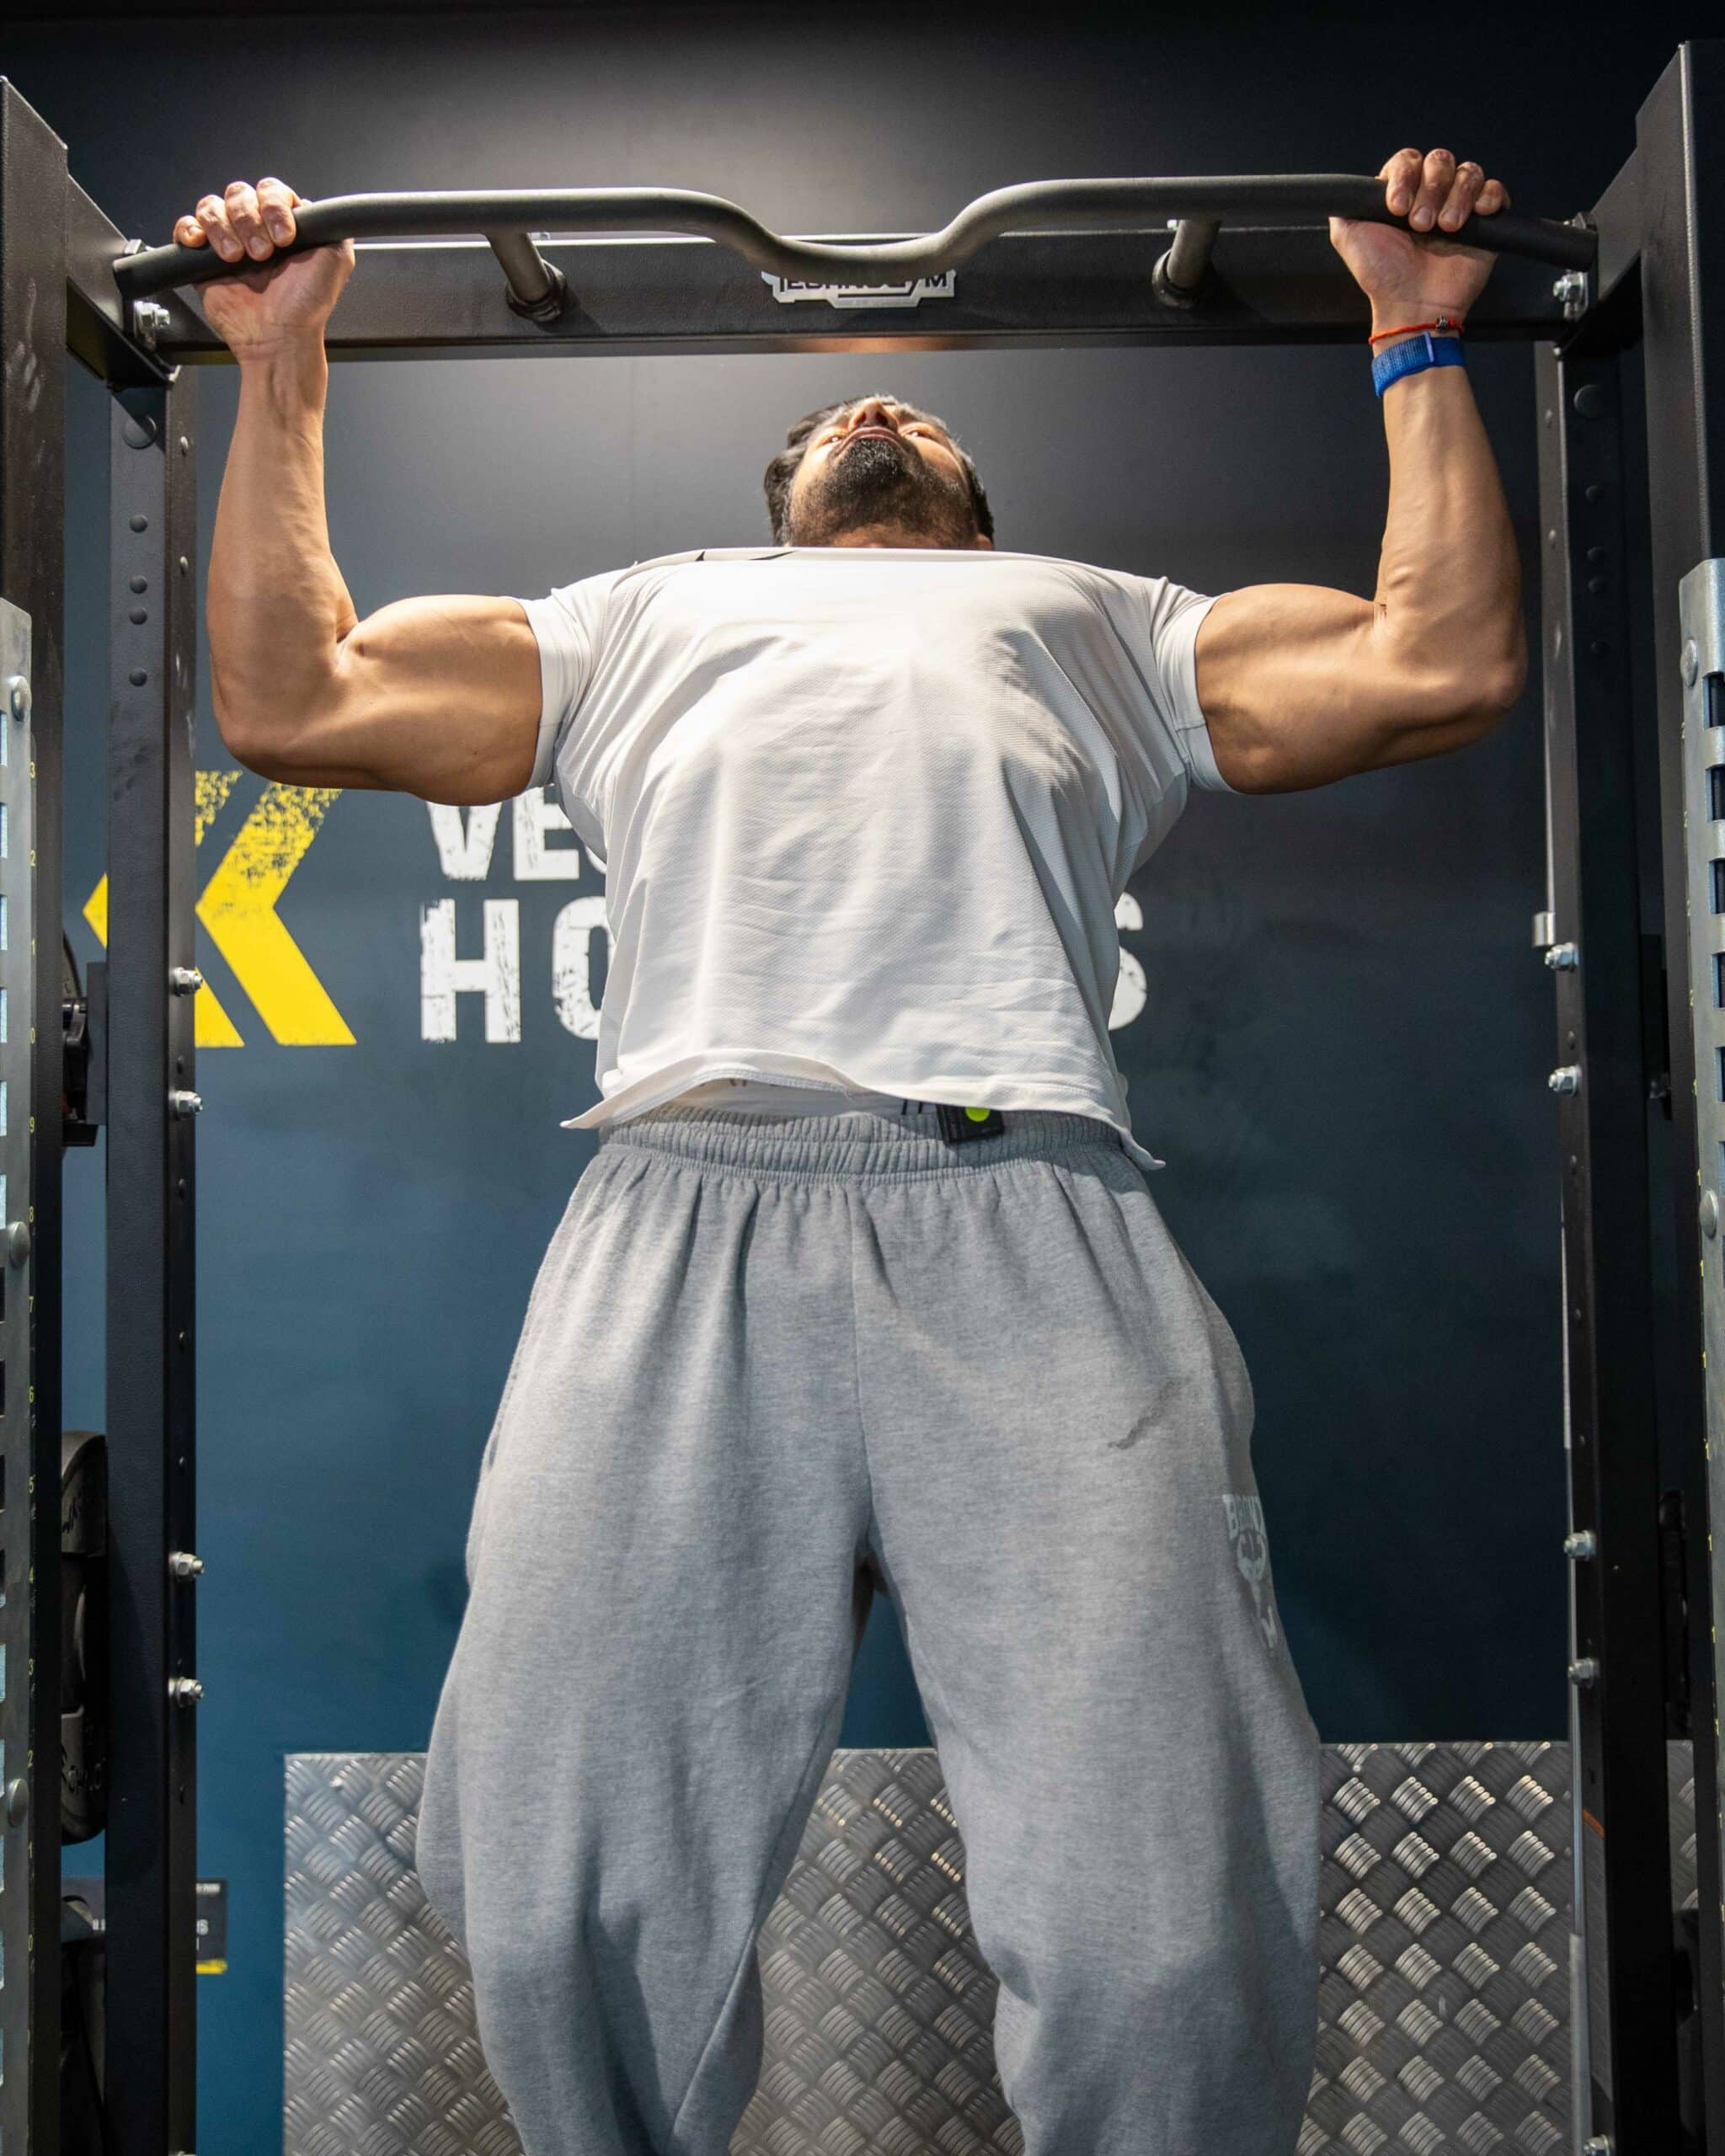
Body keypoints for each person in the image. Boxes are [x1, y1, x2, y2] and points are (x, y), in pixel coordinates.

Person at [184, 147, 1524, 2156]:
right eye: (831, 420)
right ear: (781, 505)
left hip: (1031, 1228)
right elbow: (295, 696)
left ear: (975, 508)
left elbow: (1440, 662)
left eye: (915, 415)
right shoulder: (638, 616)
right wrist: (278, 361)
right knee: (554, 1885)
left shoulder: (1103, 621)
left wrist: (1414, 332)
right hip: (686, 1218)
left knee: (1162, 1910)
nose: (876, 410)